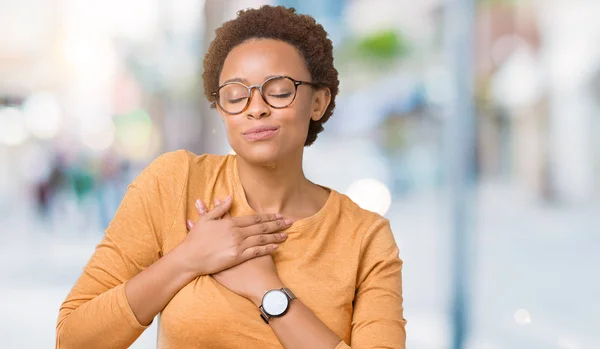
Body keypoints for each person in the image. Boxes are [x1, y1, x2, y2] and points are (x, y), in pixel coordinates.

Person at [56, 5, 407, 349]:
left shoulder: (365, 238)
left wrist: (269, 292)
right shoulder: (176, 183)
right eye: (236, 96)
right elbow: (73, 339)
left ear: (317, 102)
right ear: (223, 112)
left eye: (280, 91)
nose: (256, 108)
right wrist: (186, 259)